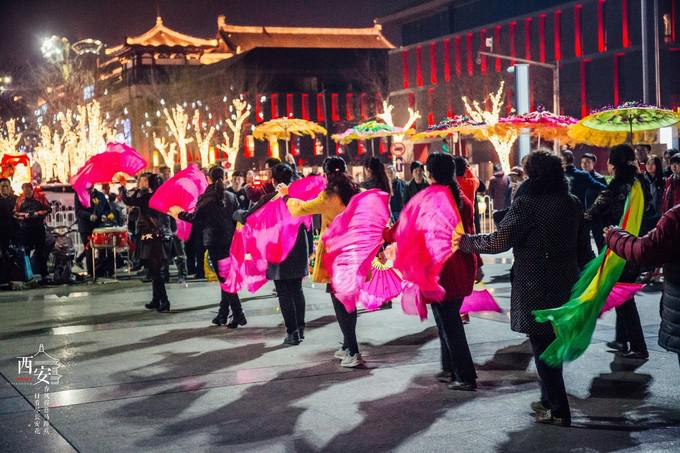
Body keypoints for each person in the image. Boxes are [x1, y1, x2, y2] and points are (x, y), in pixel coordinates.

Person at [458, 150, 593, 426]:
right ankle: (548, 400)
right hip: (566, 281)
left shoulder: (528, 203)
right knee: (551, 341)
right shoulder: (571, 202)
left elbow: (499, 242)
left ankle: (558, 409)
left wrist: (466, 242)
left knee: (542, 344)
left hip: (536, 283)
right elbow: (583, 247)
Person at [386, 153, 478, 390]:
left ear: (430, 173)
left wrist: (384, 234)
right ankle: (449, 368)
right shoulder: (462, 199)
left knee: (450, 324)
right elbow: (471, 233)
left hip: (441, 272)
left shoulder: (429, 200)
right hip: (462, 268)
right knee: (446, 320)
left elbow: (404, 226)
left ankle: (465, 376)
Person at [282, 156, 364, 367]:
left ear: (327, 175)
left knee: (341, 304)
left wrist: (286, 196)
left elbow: (301, 209)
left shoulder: (328, 197)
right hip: (353, 252)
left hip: (336, 255)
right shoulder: (356, 193)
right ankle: (347, 345)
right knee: (348, 302)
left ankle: (353, 351)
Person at [586, 144, 650, 359]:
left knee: (623, 298)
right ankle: (622, 339)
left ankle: (639, 346)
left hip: (619, 249)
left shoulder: (617, 186)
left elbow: (594, 212)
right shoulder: (641, 182)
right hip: (638, 246)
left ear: (613, 163)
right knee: (622, 294)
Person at [236, 163, 308, 344]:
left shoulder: (269, 199)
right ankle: (300, 329)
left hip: (277, 247)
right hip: (299, 246)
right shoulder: (299, 198)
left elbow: (247, 216)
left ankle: (292, 333)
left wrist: (237, 214)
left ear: (274, 180)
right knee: (297, 289)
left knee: (283, 291)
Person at [604, 204, 680, 366]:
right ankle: (625, 340)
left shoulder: (676, 216)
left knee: (624, 299)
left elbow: (646, 249)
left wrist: (614, 236)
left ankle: (631, 342)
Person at [171, 166, 246, 327]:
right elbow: (237, 218)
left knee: (224, 279)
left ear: (209, 179)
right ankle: (223, 314)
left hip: (214, 243)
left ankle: (238, 314)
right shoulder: (231, 197)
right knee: (225, 278)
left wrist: (178, 214)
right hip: (230, 242)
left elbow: (194, 218)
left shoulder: (206, 198)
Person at [119, 173, 172, 312]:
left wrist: (123, 187)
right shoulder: (159, 196)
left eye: (143, 180)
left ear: (148, 183)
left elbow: (128, 200)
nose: (140, 182)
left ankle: (164, 301)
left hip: (150, 237)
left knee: (155, 271)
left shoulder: (147, 197)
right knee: (155, 270)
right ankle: (156, 300)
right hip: (158, 236)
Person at [14, 183, 52, 283]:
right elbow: (15, 213)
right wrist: (24, 215)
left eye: (28, 191)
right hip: (25, 229)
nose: (26, 193)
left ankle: (44, 274)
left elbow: (48, 209)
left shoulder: (40, 198)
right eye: (25, 191)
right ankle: (27, 275)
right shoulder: (20, 200)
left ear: (32, 190)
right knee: (25, 253)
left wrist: (37, 213)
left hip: (38, 228)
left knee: (41, 252)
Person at [74, 186, 113, 275]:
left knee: (102, 248)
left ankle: (101, 270)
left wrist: (104, 215)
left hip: (99, 226)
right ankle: (91, 273)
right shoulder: (79, 194)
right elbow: (78, 211)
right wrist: (89, 216)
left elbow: (107, 209)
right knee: (89, 250)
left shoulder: (100, 195)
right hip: (85, 227)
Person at [0, 178, 17, 254]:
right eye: (2, 186)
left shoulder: (17, 199)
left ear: (10, 187)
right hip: (2, 233)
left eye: (7, 186)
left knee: (22, 254)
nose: (5, 188)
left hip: (15, 232)